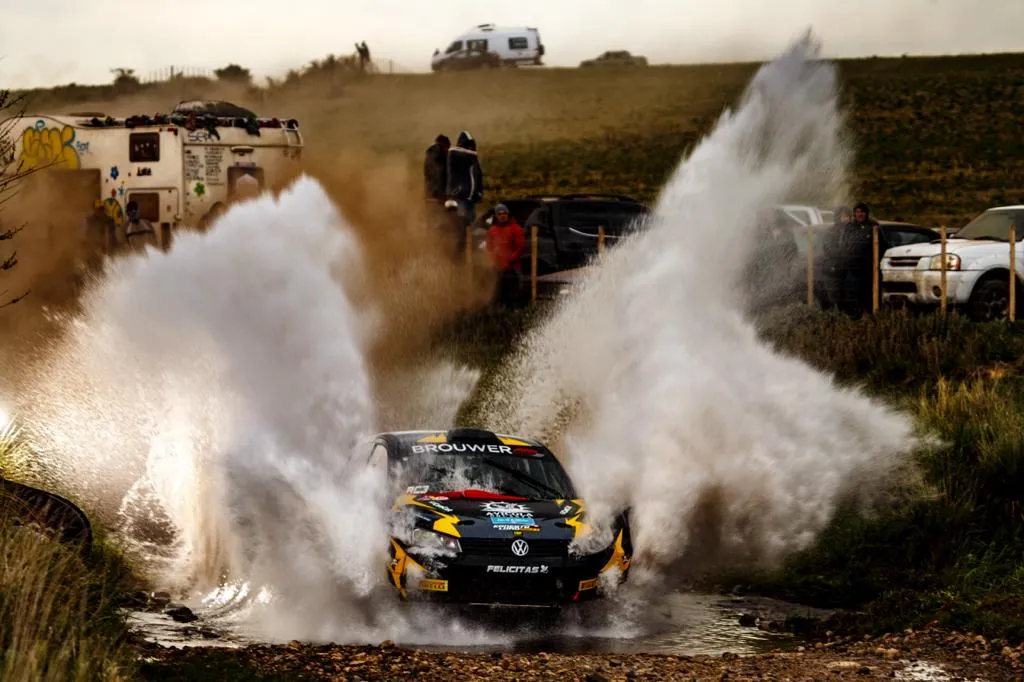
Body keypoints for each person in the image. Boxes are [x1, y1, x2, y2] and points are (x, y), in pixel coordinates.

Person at [445, 130, 484, 254]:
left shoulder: (472, 162)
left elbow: (478, 179)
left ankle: (468, 250)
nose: (471, 148)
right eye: (468, 145)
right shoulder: (456, 157)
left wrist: (478, 194)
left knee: (471, 227)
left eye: (472, 145)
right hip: (461, 198)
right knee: (461, 226)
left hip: (470, 200)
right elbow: (454, 152)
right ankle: (459, 251)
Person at [486, 204, 526, 308]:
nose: (502, 215)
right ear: (496, 216)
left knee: (514, 293)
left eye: (504, 213)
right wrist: (493, 260)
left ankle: (515, 312)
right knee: (497, 293)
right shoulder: (492, 230)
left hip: (513, 267)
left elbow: (520, 247)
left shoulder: (516, 228)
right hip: (497, 267)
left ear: (508, 214)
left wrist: (510, 260)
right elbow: (489, 247)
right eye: (499, 214)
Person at [423, 134, 450, 203]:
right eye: (447, 147)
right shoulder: (438, 155)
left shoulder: (431, 153)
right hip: (437, 192)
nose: (448, 150)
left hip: (430, 191)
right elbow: (437, 174)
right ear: (443, 144)